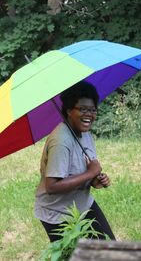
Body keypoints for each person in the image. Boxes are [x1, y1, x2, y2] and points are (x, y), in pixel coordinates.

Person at [34, 81, 115, 242]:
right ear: (69, 110)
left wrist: (95, 179)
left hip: (82, 205)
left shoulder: (85, 134)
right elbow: (52, 186)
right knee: (74, 256)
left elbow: (83, 169)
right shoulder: (61, 141)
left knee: (109, 249)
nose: (89, 115)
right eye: (83, 109)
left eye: (92, 110)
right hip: (57, 213)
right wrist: (90, 173)